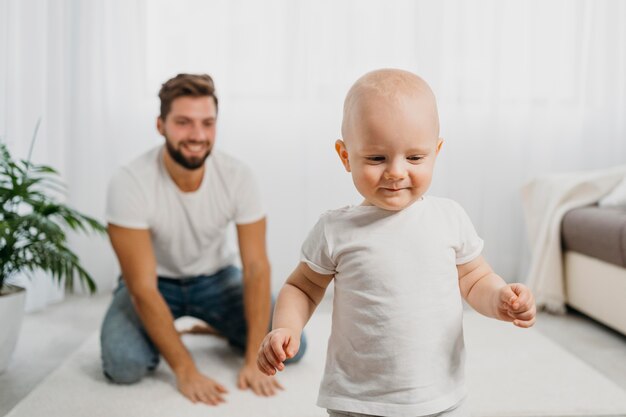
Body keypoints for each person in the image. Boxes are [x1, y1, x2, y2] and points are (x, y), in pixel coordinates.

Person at [256, 69, 536, 417]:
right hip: (358, 398)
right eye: (376, 158)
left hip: (438, 394)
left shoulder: (449, 218)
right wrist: (286, 327)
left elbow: (476, 279)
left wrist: (501, 299)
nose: (396, 172)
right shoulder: (336, 229)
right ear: (345, 156)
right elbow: (302, 287)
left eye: (415, 158)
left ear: (436, 151)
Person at [100, 73, 305, 406]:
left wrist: (255, 354)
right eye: (183, 122)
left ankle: (215, 326)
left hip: (216, 279)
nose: (197, 135)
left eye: (207, 123)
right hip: (155, 284)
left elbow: (255, 267)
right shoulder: (129, 182)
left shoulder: (238, 176)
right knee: (124, 365)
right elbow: (142, 287)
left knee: (292, 348)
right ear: (160, 125)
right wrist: (184, 369)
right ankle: (170, 333)